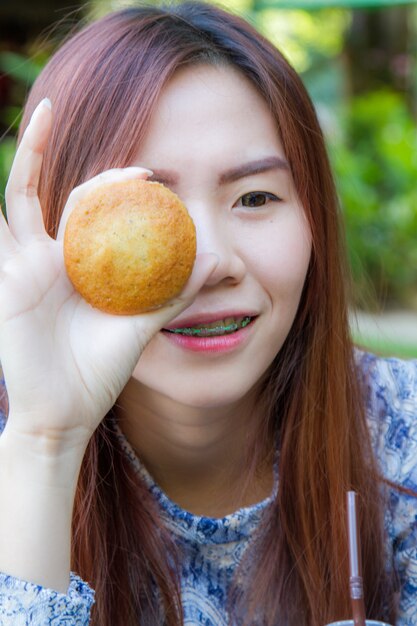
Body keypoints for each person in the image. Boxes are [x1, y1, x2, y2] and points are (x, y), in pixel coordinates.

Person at [0, 2, 416, 625]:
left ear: (313, 223)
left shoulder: (401, 435)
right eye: (143, 207)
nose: (209, 261)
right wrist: (46, 442)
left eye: (255, 197)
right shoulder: (20, 445)